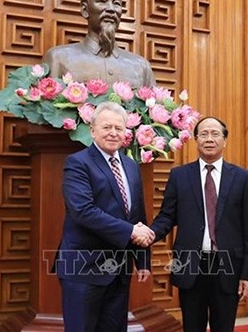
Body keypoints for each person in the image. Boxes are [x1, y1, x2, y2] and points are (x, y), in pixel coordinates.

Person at [148, 116, 248, 332]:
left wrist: (247, 274)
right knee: (192, 327)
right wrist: (148, 234)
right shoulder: (179, 176)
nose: (209, 139)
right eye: (204, 134)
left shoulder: (243, 178)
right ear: (195, 140)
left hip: (228, 265)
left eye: (215, 134)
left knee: (224, 327)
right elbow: (167, 217)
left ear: (225, 141)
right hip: (191, 265)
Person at [56, 101, 155, 332]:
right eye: (107, 127)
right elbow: (83, 211)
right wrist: (131, 232)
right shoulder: (77, 163)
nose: (113, 133)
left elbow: (137, 214)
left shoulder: (131, 166)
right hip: (84, 270)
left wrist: (142, 260)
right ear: (92, 130)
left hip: (119, 270)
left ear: (126, 133)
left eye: (119, 128)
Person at [42, 0, 157, 89]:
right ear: (85, 10)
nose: (111, 9)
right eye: (102, 1)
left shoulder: (141, 66)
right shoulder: (59, 58)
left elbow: (156, 106)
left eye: (117, 3)